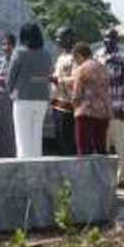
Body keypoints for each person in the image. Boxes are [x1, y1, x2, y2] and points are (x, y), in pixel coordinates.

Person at [6, 23, 53, 158]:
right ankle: (37, 162)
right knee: (36, 135)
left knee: (22, 137)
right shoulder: (46, 54)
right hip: (42, 98)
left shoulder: (19, 52)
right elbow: (48, 73)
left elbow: (10, 77)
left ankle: (24, 166)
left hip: (23, 97)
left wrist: (11, 93)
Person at [97, 28, 124, 188]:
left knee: (120, 143)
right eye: (106, 38)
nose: (108, 41)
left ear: (117, 40)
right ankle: (106, 178)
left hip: (118, 104)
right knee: (103, 144)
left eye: (111, 38)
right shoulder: (98, 55)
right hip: (101, 107)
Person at [70, 43, 111, 155]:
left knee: (83, 149)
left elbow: (76, 93)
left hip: (85, 111)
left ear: (79, 55)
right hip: (103, 112)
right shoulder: (103, 67)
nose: (75, 62)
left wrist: (74, 105)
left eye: (75, 59)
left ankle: (84, 172)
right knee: (100, 147)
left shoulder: (82, 69)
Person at [49, 27, 78, 156]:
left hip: (68, 104)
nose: (57, 40)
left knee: (68, 140)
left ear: (69, 39)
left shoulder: (75, 57)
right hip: (57, 102)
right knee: (59, 138)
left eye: (60, 37)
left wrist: (58, 80)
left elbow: (76, 78)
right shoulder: (61, 56)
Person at [0, 32, 17, 158]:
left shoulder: (17, 60)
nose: (6, 47)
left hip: (12, 96)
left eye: (8, 44)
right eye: (4, 44)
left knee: (11, 128)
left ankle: (12, 154)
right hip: (0, 96)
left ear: (13, 45)